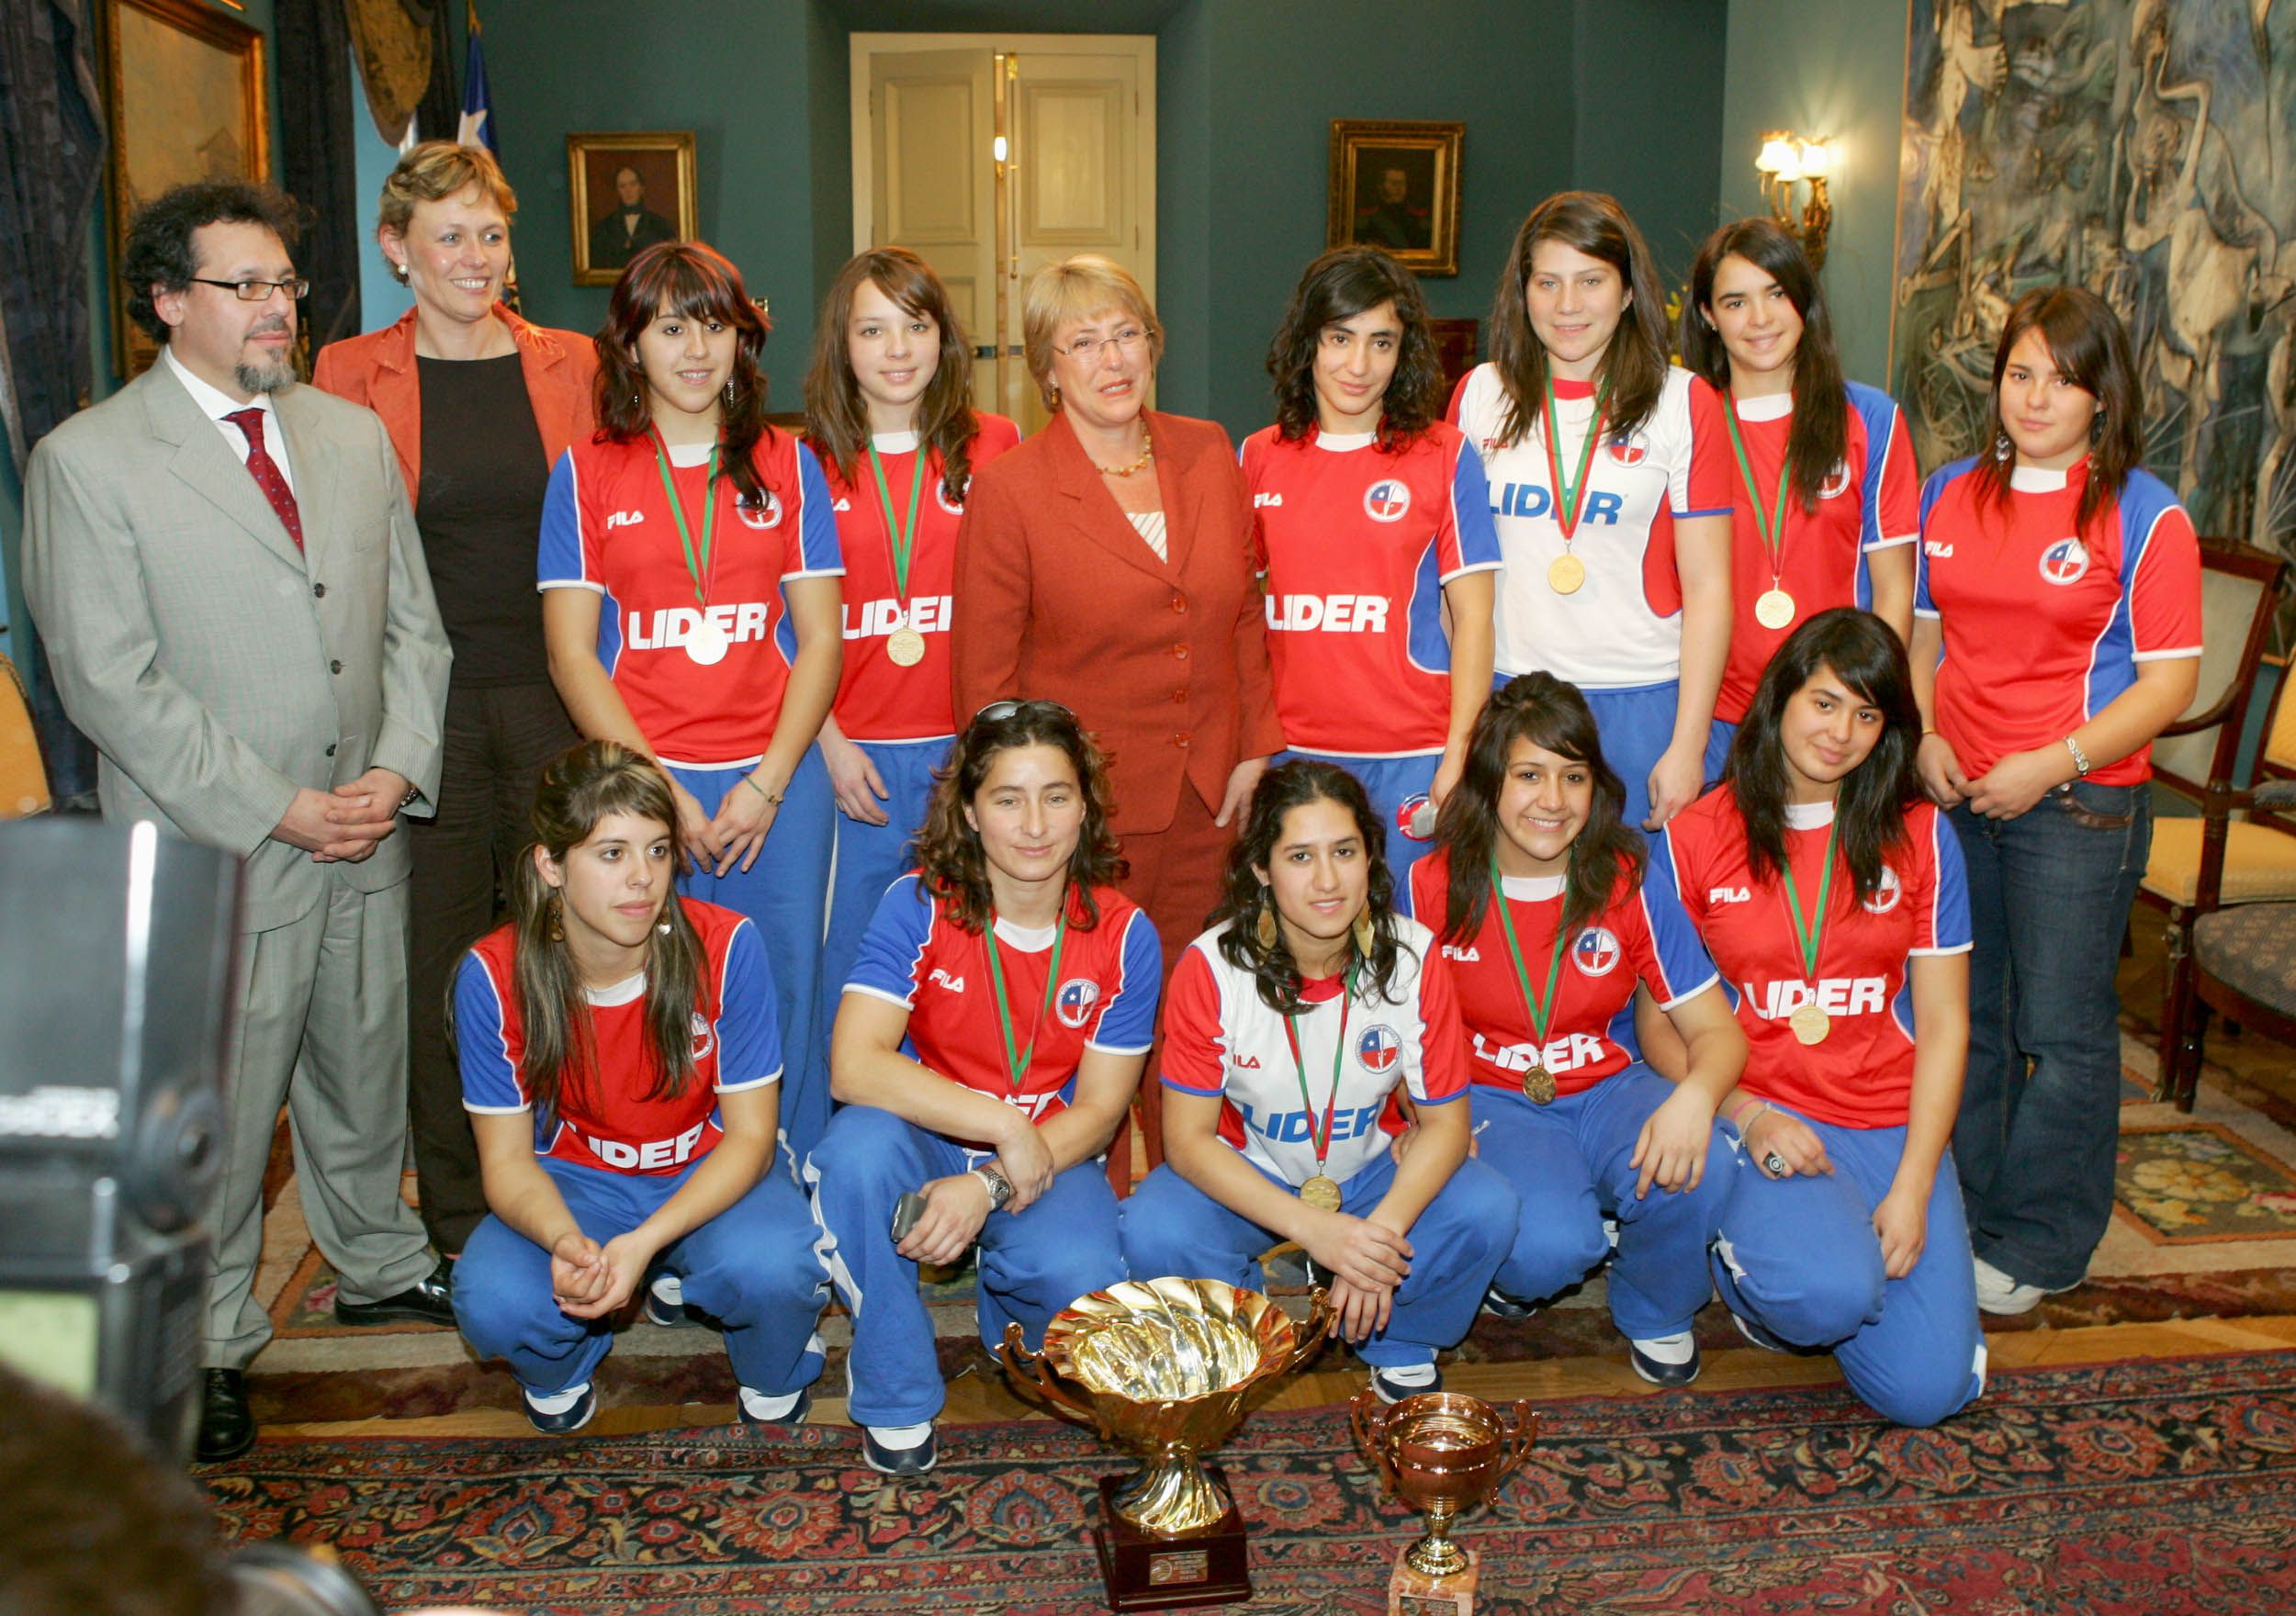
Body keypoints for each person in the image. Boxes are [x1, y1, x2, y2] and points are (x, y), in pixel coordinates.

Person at [20, 182, 456, 1464]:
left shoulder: (346, 435)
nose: (279, 310)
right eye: (247, 287)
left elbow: (411, 630)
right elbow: (112, 684)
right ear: (167, 302)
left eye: (286, 286)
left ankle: (375, 1257)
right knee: (215, 1126)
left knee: (362, 1073)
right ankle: (201, 1345)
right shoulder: (88, 462)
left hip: (366, 832)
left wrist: (397, 764)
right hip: (220, 857)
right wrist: (280, 806)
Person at [314, 139, 597, 1259]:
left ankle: (578, 1173)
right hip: (416, 713)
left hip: (554, 698)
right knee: (438, 970)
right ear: (398, 250)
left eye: (491, 233)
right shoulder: (343, 375)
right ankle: (462, 1215)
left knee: (565, 949)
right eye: (450, 237)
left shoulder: (570, 362)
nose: (477, 258)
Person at [1911, 287, 2201, 1315]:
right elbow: (1924, 635)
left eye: (2063, 379)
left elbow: (2169, 688)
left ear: (2100, 395)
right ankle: (1973, 1205)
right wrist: (1930, 733)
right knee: (1970, 1014)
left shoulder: (2143, 513)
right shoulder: (1946, 490)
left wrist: (2050, 760)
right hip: (1956, 796)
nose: (2035, 397)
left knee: (2060, 1026)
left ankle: (2045, 1237)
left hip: (2076, 806)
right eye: (2020, 372)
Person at [539, 241, 844, 1163]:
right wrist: (661, 791)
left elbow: (822, 642)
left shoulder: (788, 465)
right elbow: (570, 654)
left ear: (743, 338)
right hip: (642, 789)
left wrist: (768, 783)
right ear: (630, 345)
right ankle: (667, 1185)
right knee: (660, 988)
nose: (696, 349)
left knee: (783, 987)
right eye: (670, 327)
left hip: (772, 789)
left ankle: (790, 1192)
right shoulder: (584, 471)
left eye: (713, 324)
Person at [810, 700, 1160, 1475]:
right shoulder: (918, 903)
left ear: (1086, 807)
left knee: (1081, 1289)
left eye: (1056, 797)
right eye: (1008, 799)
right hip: (932, 1137)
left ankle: (1009, 1298)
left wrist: (995, 1181)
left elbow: (1101, 1113)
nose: (1034, 825)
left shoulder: (1125, 932)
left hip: (1050, 1152)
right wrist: (999, 1124)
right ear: (970, 811)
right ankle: (896, 1379)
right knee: (856, 1153)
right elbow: (854, 1065)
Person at [1662, 609, 1983, 1426]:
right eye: (1825, 702)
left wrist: (1913, 1184)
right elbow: (1657, 1024)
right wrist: (1745, 1112)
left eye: (1868, 714)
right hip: (1765, 1117)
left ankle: (1859, 1282)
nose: (1841, 732)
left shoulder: (1922, 836)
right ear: (1780, 700)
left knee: (1928, 1393)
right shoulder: (1698, 833)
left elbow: (1945, 1025)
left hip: (1883, 1119)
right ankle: (1763, 1287)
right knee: (1823, 1297)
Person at [450, 741, 826, 1434]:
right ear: (551, 865)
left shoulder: (726, 943)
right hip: (579, 1181)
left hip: (707, 1170)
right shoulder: (494, 972)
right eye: (611, 853)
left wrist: (644, 1242)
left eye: (657, 851)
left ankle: (763, 1346)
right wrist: (568, 1244)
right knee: (492, 1298)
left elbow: (749, 1139)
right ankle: (562, 1365)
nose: (642, 879)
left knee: (778, 1269)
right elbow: (505, 1163)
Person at [1120, 761, 1516, 1401]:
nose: (1327, 880)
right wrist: (1317, 1232)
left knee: (1486, 1205)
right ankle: (1235, 1333)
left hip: (1367, 1176)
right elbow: (1187, 1142)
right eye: (1300, 856)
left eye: (1344, 851)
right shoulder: (1211, 967)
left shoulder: (1413, 955)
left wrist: (1375, 1241)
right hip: (1250, 1179)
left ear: (1371, 858)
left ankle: (1400, 1337)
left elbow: (1447, 1123)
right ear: (1260, 869)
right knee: (1153, 1226)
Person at [951, 253, 1284, 1004]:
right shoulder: (1012, 490)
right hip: (1082, 815)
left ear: (1152, 343)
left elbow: (1242, 615)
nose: (1113, 359)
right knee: (1091, 1013)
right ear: (1047, 368)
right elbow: (984, 681)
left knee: (1197, 1018)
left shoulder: (1205, 451)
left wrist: (1254, 750)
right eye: (1084, 341)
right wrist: (1018, 809)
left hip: (1212, 799)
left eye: (1127, 333)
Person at [1409, 674, 1743, 1386]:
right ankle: (1527, 1258)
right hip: (1493, 1098)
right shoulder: (1428, 885)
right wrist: (1416, 1116)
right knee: (1550, 1249)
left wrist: (1693, 1099)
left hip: (1607, 1090)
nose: (1553, 801)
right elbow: (1384, 1038)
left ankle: (1656, 1306)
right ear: (1489, 779)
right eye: (1529, 775)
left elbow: (1718, 1033)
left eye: (1573, 776)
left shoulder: (1628, 874)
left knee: (1703, 1155)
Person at [1449, 191, 1734, 833]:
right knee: (1517, 908)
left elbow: (1711, 587)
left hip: (1638, 700)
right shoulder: (1478, 396)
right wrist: (1462, 722)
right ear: (1522, 292)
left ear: (1629, 291)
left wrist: (1688, 746)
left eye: (1590, 281)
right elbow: (1454, 579)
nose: (1567, 305)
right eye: (1547, 282)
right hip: (1509, 695)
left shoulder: (1683, 402)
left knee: (1632, 911)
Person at [803, 247, 1021, 1061]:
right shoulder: (803, 462)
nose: (898, 350)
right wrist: (823, 738)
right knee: (853, 967)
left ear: (945, 338)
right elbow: (784, 626)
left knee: (965, 965)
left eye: (916, 326)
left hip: (965, 753)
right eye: (874, 329)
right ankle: (832, 1153)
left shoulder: (996, 444)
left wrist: (992, 748)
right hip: (847, 759)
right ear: (843, 344)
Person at [1244, 245, 1499, 880]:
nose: (1359, 365)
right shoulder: (1256, 456)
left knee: (1409, 950)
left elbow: (1475, 621)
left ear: (1404, 351)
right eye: (1340, 338)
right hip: (1291, 755)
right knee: (1303, 952)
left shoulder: (1444, 454)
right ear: (1308, 342)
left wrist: (1459, 754)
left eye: (1381, 343)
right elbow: (1240, 620)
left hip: (1409, 752)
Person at [1678, 217, 1919, 760]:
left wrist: (1869, 711)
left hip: (1833, 724)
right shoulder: (1685, 423)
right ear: (1707, 316)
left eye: (1776, 294)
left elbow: (1894, 590)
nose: (1759, 319)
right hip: (1713, 718)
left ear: (1803, 303)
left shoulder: (1869, 418)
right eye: (1735, 302)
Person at [589, 165, 677, 270]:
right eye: (622, 186)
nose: (628, 190)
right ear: (617, 191)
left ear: (642, 188)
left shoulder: (660, 225)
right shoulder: (603, 227)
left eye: (633, 184)